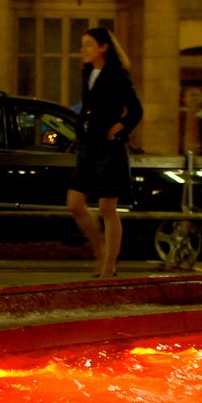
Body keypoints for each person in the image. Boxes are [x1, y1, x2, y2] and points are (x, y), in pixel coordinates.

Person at [67, 27, 144, 279]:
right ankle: (99, 248)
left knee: (107, 207)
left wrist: (118, 127)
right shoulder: (88, 72)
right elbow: (88, 107)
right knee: (74, 203)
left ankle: (109, 265)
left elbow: (136, 110)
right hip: (88, 145)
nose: (83, 49)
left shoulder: (117, 75)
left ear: (104, 47)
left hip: (109, 148)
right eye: (82, 44)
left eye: (89, 44)